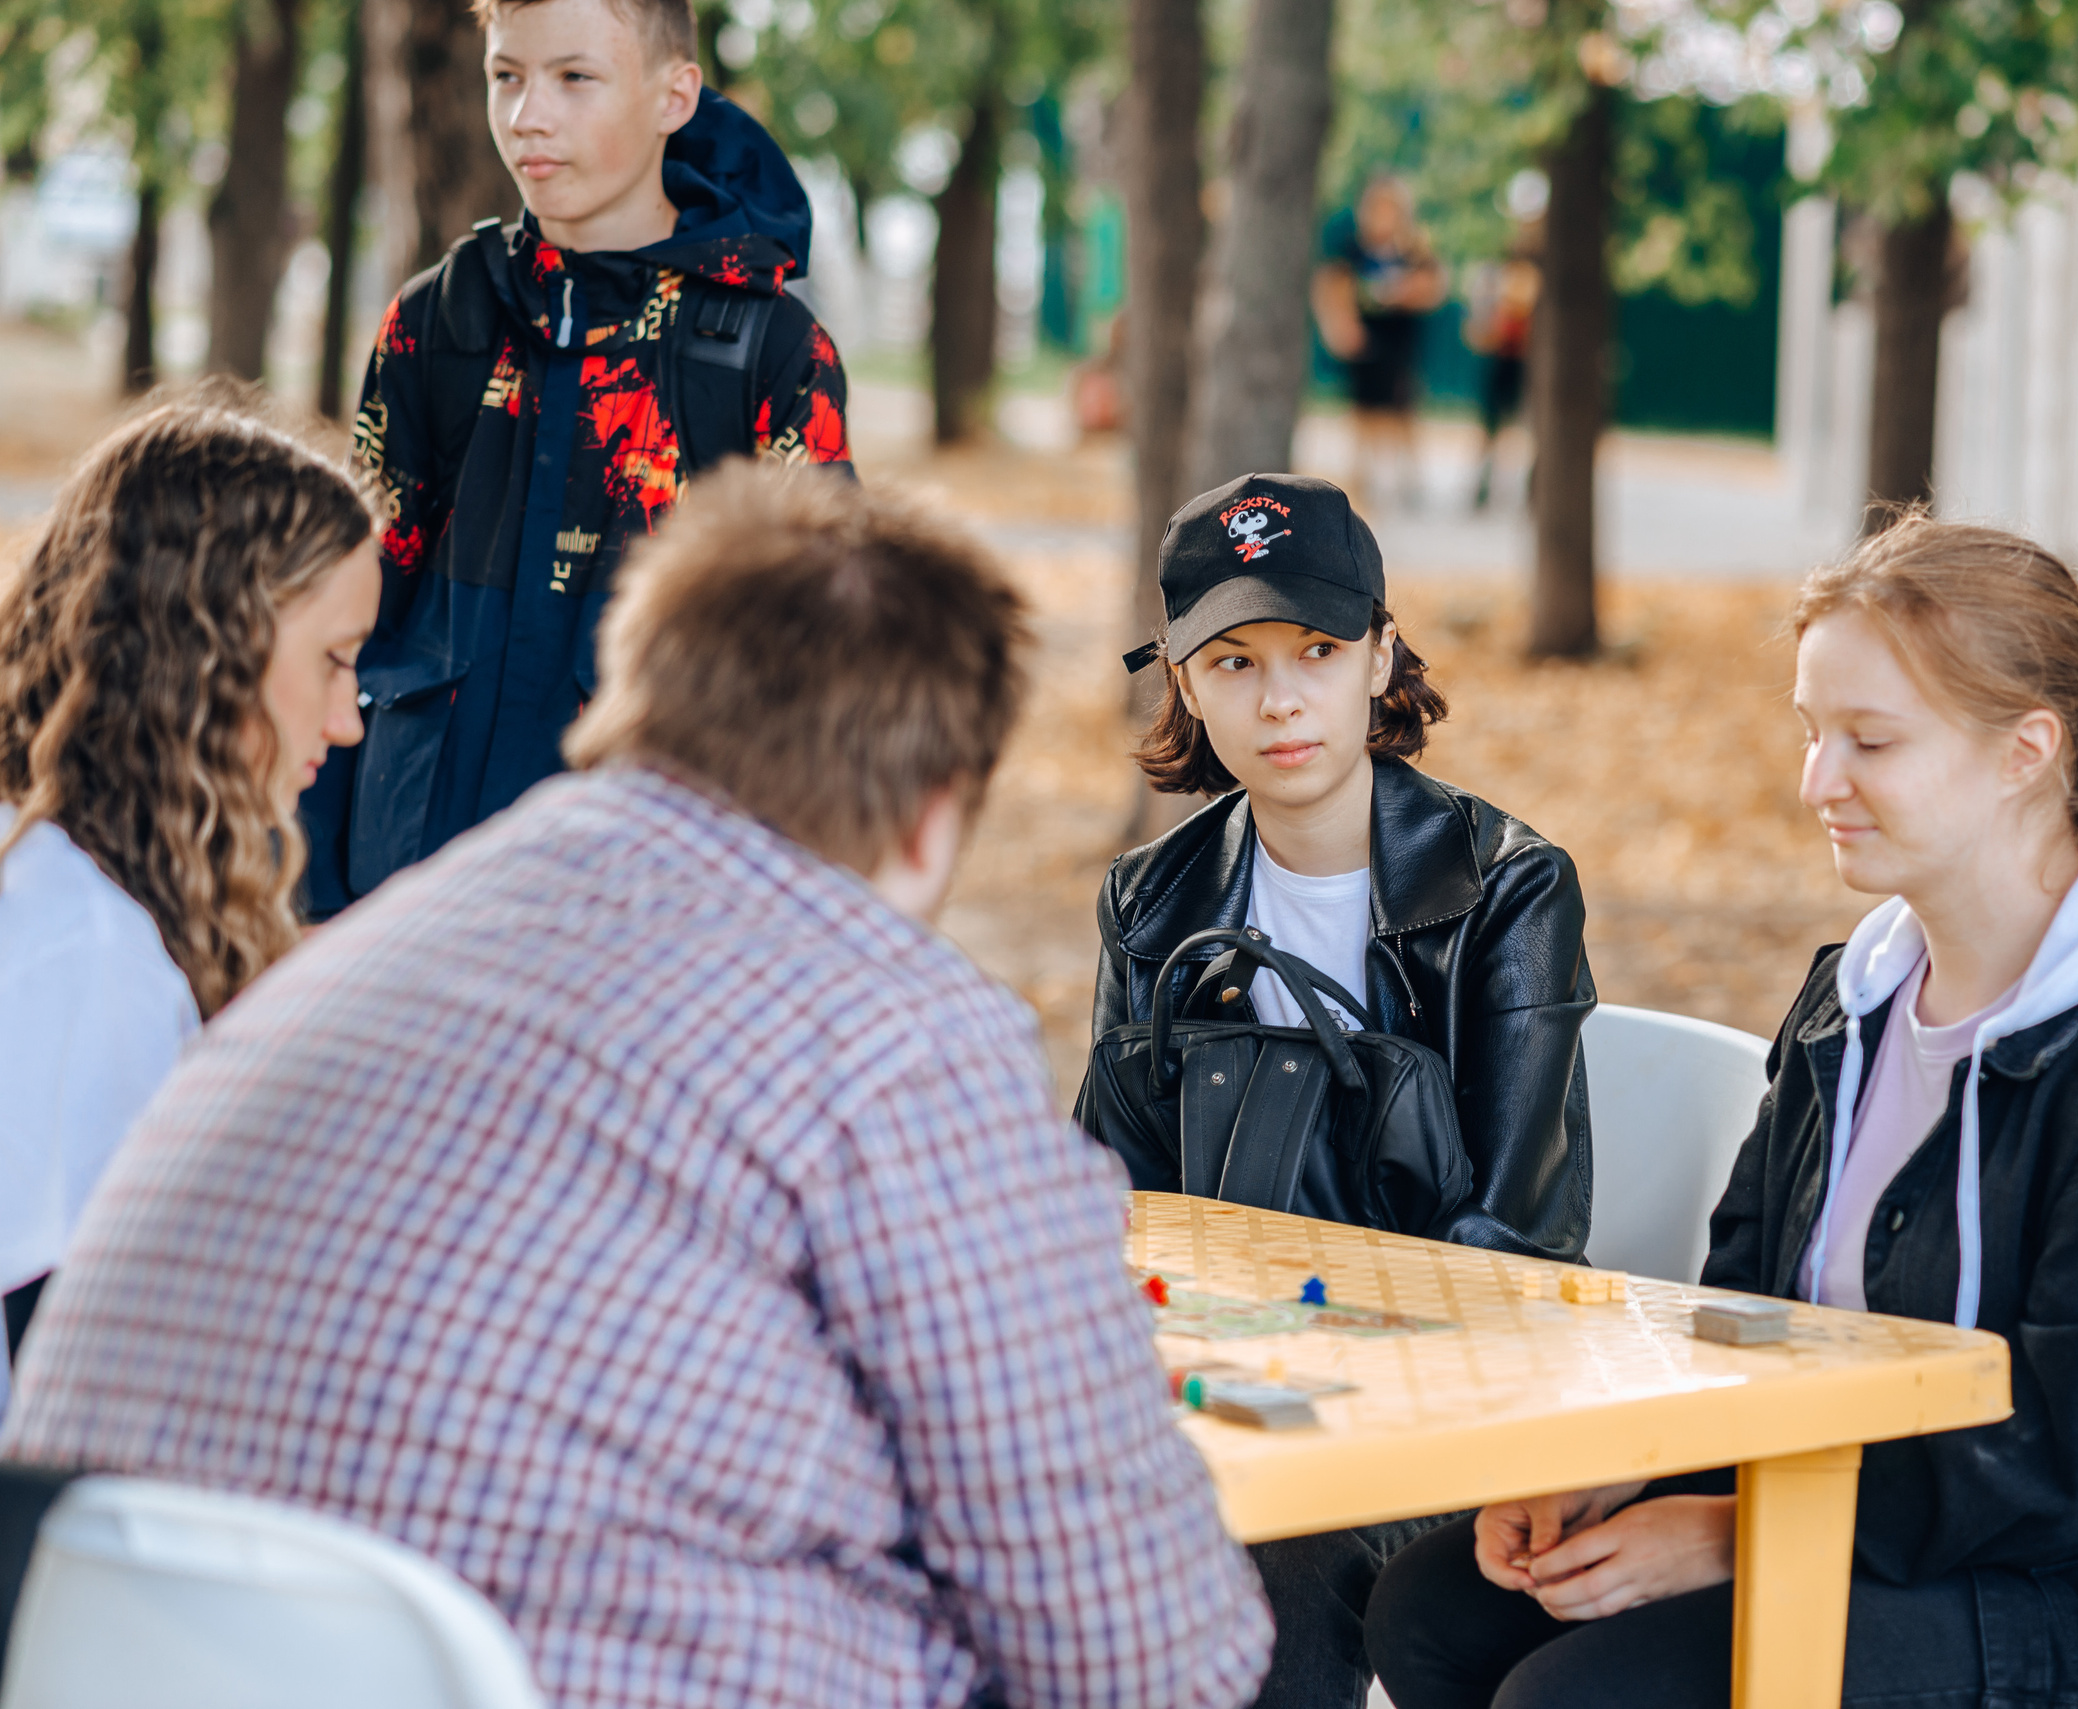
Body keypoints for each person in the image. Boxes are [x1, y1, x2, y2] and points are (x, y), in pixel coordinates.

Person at [4, 466, 1272, 1709]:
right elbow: (1144, 1649)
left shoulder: (376, 940)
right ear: (939, 812)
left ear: (632, 697)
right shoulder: (895, 1026)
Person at [1367, 516, 2078, 1709]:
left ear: (2025, 750)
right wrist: (1619, 1468)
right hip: (1902, 1523)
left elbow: (2077, 1456)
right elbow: (1747, 1313)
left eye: (1871, 740)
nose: (1816, 781)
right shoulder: (1851, 1003)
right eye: (1811, 731)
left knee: (1588, 1692)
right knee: (1437, 1609)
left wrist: (1735, 1529)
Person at [1091, 471, 1595, 1709]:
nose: (1280, 699)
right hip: (1218, 1390)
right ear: (1185, 685)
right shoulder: (1151, 902)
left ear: (1380, 657)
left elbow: (1513, 1238)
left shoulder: (1505, 889)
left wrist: (1309, 1385)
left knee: (1280, 1553)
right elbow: (1115, 1203)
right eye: (1234, 662)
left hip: (1434, 1392)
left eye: (1316, 649)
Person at [299, 0, 854, 917]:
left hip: (639, 920)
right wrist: (310, 894)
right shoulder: (434, 322)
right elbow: (349, 615)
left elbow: (818, 684)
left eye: (574, 78)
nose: (528, 117)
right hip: (407, 898)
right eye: (506, 76)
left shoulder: (772, 354)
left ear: (675, 94)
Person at [0, 400, 376, 1413]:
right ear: (212, 648)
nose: (346, 723)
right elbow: (76, 1396)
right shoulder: (84, 948)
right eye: (334, 661)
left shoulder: (60, 870)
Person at [1313, 178, 1446, 510]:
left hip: (1400, 339)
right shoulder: (1352, 249)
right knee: (1363, 410)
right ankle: (1363, 480)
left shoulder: (1413, 249)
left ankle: (1409, 481)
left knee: (1402, 409)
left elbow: (1434, 286)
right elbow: (1329, 286)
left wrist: (1403, 291)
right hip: (1364, 339)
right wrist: (1339, 325)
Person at [1460, 226, 1538, 510]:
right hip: (1500, 358)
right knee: (1490, 427)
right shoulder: (1496, 275)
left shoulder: (1544, 274)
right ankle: (1482, 484)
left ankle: (1531, 489)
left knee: (1531, 427)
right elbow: (1475, 327)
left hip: (1530, 362)